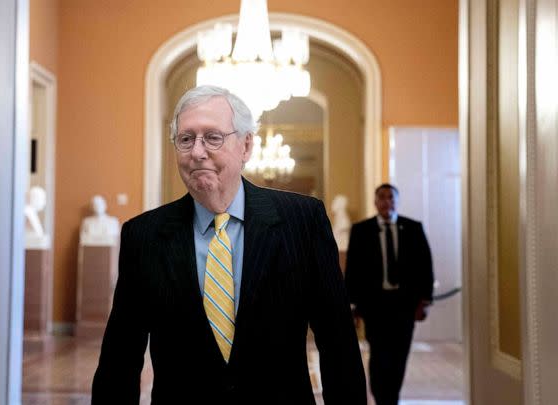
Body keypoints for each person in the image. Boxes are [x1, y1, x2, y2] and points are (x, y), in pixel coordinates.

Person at [91, 85, 367, 404]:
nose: (197, 152)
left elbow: (337, 343)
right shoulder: (144, 235)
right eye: (186, 139)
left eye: (212, 137)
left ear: (246, 146)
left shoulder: (303, 221)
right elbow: (120, 359)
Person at [344, 183, 434, 405]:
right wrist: (352, 306)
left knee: (399, 356)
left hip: (404, 305)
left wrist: (425, 301)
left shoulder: (413, 228)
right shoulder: (361, 231)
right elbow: (353, 270)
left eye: (391, 198)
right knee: (379, 357)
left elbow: (425, 266)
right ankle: (383, 397)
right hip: (375, 306)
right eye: (382, 198)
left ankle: (390, 398)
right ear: (375, 202)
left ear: (396, 201)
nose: (387, 202)